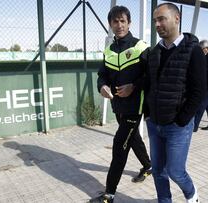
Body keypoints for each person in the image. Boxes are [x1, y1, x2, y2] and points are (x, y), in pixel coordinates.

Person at [88, 5, 152, 203]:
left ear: (129, 23)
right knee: (132, 139)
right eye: (115, 21)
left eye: (123, 21)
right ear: (110, 24)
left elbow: (151, 75)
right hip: (118, 107)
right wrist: (102, 87)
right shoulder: (109, 50)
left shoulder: (140, 46)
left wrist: (134, 86)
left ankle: (109, 194)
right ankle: (148, 166)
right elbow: (102, 76)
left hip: (135, 106)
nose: (119, 25)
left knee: (119, 146)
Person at [144, 3, 206, 203]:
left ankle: (192, 195)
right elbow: (149, 85)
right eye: (155, 20)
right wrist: (148, 114)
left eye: (161, 19)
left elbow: (199, 90)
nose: (157, 24)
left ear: (177, 18)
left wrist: (182, 119)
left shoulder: (193, 50)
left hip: (177, 126)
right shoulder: (155, 52)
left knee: (175, 171)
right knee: (158, 171)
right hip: (155, 124)